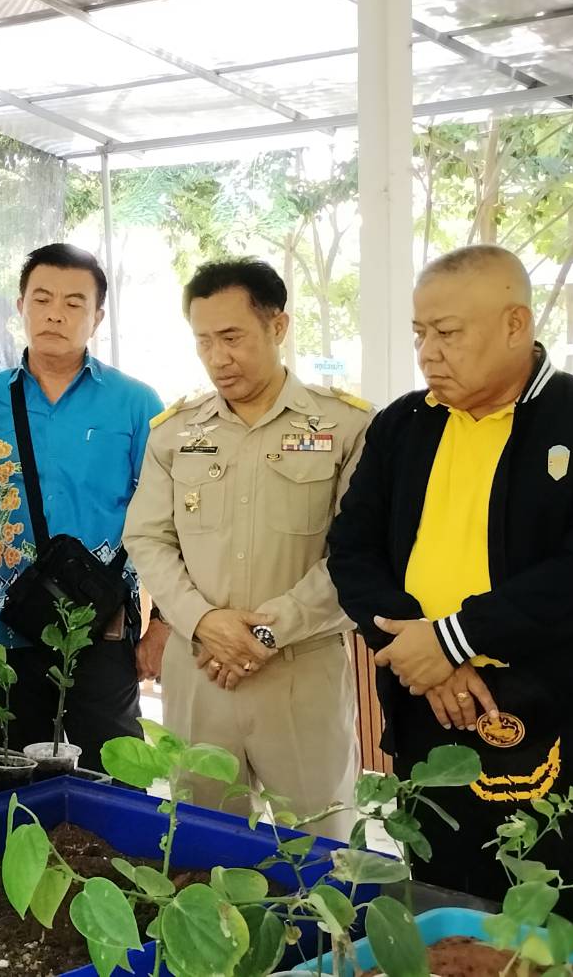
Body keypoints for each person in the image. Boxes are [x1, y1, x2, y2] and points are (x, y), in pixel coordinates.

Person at [327, 245, 573, 913]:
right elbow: (350, 551)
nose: (427, 352)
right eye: (419, 334)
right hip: (429, 706)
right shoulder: (403, 424)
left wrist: (452, 639)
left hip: (564, 718)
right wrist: (428, 658)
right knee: (445, 899)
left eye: (446, 333)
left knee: (564, 912)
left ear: (513, 325)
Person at [124, 260, 369, 836]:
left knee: (318, 848)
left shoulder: (345, 427)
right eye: (204, 341)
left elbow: (358, 554)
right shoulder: (176, 432)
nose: (217, 357)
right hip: (200, 670)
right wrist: (205, 622)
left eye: (232, 337)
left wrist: (264, 633)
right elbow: (147, 537)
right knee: (200, 847)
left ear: (277, 326)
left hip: (299, 671)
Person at [0, 244, 165, 769]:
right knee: (13, 773)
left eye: (73, 302)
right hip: (4, 626)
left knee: (113, 771)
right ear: (20, 306)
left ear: (98, 316)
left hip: (102, 622)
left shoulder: (134, 403)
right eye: (41, 299)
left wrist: (164, 629)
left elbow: (168, 517)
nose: (55, 314)